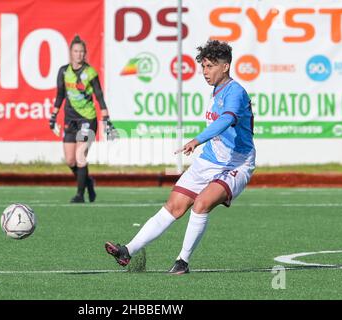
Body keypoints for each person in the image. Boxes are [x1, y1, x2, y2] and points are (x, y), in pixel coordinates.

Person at [104, 39, 256, 274]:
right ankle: (128, 251)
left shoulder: (235, 92)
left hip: (236, 163)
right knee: (173, 206)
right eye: (203, 66)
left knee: (201, 203)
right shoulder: (216, 89)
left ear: (225, 66)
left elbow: (226, 120)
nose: (205, 72)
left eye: (211, 66)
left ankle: (182, 261)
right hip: (210, 159)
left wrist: (197, 139)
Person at [50, 35, 116, 203]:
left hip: (88, 119)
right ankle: (89, 183)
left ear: (85, 53)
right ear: (71, 53)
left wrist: (106, 117)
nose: (78, 54)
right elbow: (60, 95)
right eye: (75, 51)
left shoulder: (90, 72)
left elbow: (99, 96)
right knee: (70, 160)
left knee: (80, 156)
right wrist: (53, 115)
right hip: (70, 120)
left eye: (81, 51)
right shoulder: (64, 71)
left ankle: (80, 195)